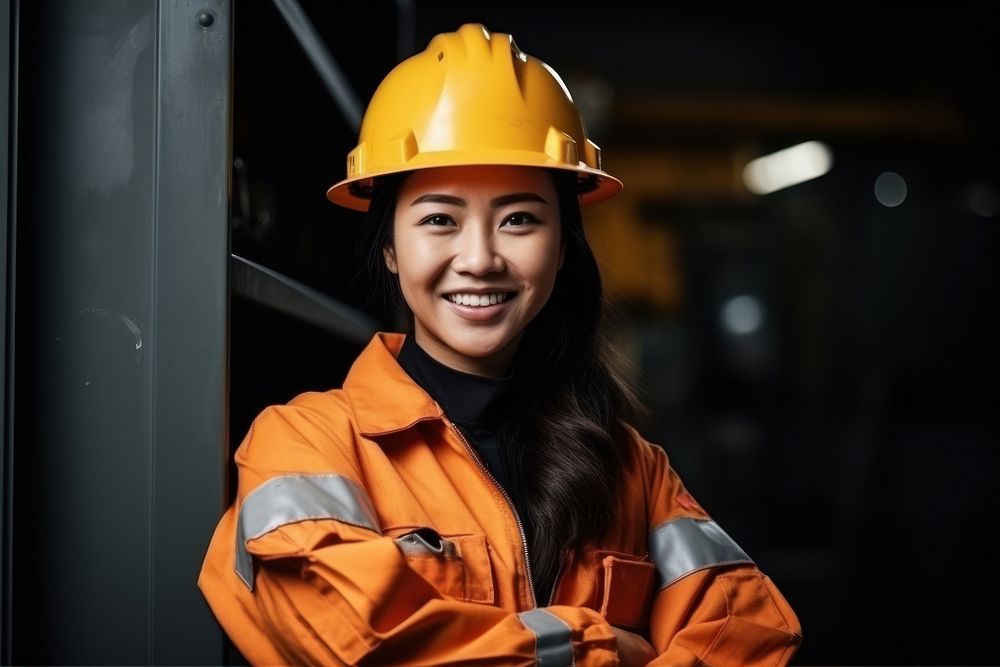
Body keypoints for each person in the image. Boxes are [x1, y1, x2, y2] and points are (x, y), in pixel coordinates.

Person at [199, 23, 803, 666]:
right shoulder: (304, 447)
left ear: (564, 247)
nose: (480, 258)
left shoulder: (631, 466)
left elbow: (752, 634)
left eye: (519, 219)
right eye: (439, 220)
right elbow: (362, 647)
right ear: (389, 250)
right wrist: (597, 650)